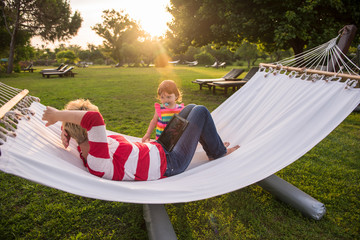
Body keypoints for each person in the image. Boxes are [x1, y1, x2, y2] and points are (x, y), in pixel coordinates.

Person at [42, 99, 240, 181]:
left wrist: (64, 128)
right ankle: (217, 153)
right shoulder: (97, 159)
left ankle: (213, 145)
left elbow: (80, 127)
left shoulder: (86, 143)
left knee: (189, 108)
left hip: (159, 147)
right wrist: (59, 115)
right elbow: (93, 120)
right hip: (171, 163)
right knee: (201, 112)